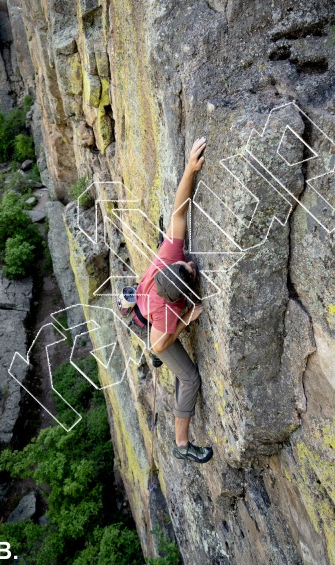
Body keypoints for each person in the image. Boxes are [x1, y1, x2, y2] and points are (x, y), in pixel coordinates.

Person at [128, 137, 213, 464]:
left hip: (147, 304)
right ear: (181, 298)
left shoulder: (168, 258)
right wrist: (185, 322)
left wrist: (189, 169)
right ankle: (182, 444)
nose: (190, 264)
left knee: (168, 352)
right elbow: (158, 343)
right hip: (156, 324)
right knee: (189, 376)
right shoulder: (169, 312)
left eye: (185, 266)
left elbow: (179, 211)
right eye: (190, 272)